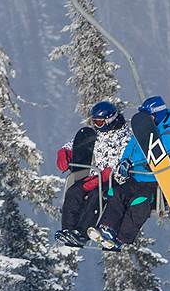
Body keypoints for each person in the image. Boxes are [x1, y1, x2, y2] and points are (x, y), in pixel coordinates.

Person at [88, 95, 170, 251]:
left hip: (158, 181)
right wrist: (124, 162)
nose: (147, 120)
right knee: (116, 192)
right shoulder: (143, 130)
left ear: (157, 114)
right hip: (137, 177)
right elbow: (130, 147)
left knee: (139, 203)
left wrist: (134, 162)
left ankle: (121, 238)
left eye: (149, 116)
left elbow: (158, 152)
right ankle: (107, 228)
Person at [55, 101, 132, 248]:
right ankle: (68, 230)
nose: (97, 125)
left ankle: (82, 233)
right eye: (94, 121)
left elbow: (121, 163)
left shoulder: (124, 138)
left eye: (99, 122)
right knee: (74, 191)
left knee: (96, 195)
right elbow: (77, 144)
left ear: (110, 119)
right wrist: (65, 152)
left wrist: (101, 177)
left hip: (113, 181)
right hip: (95, 176)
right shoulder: (97, 133)